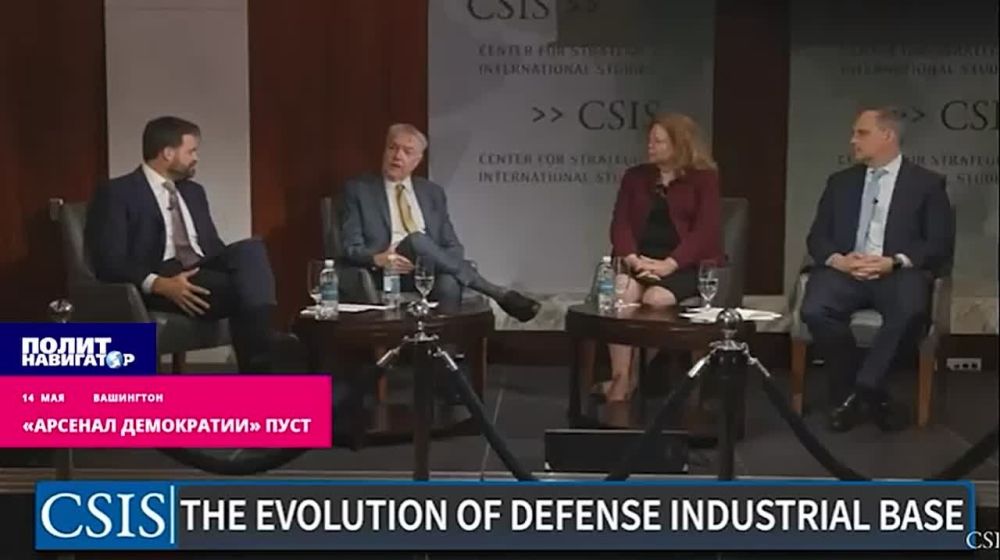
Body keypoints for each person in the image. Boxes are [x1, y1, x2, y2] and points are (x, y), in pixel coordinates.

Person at [801, 107, 955, 432]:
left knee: (910, 310)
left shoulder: (927, 184)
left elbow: (939, 243)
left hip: (897, 273)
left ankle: (861, 391)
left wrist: (894, 261)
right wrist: (839, 260)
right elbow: (817, 237)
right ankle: (866, 395)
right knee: (815, 309)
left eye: (861, 133)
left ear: (888, 135)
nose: (852, 140)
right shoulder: (840, 183)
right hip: (847, 272)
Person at [85, 116, 278, 373]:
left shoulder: (193, 192)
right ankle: (263, 370)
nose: (196, 158)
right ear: (167, 153)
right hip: (163, 276)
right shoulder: (118, 193)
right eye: (191, 151)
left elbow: (212, 246)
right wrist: (160, 284)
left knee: (251, 251)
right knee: (249, 291)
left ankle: (262, 366)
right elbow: (108, 260)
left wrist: (239, 270)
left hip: (201, 267)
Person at [339, 123, 540, 322]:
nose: (397, 156)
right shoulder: (359, 190)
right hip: (387, 273)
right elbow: (351, 247)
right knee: (417, 239)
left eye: (407, 151)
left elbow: (452, 246)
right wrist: (378, 259)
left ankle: (443, 343)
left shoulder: (432, 193)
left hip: (429, 269)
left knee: (449, 282)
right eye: (392, 148)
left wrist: (445, 263)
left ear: (417, 160)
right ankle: (498, 293)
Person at [602, 112, 724, 402]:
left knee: (655, 299)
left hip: (684, 265)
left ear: (679, 144)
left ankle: (642, 373)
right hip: (640, 261)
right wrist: (633, 260)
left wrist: (670, 265)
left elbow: (705, 232)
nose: (650, 146)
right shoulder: (635, 177)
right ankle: (622, 378)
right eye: (649, 140)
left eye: (658, 141)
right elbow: (620, 225)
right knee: (622, 292)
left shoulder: (704, 179)